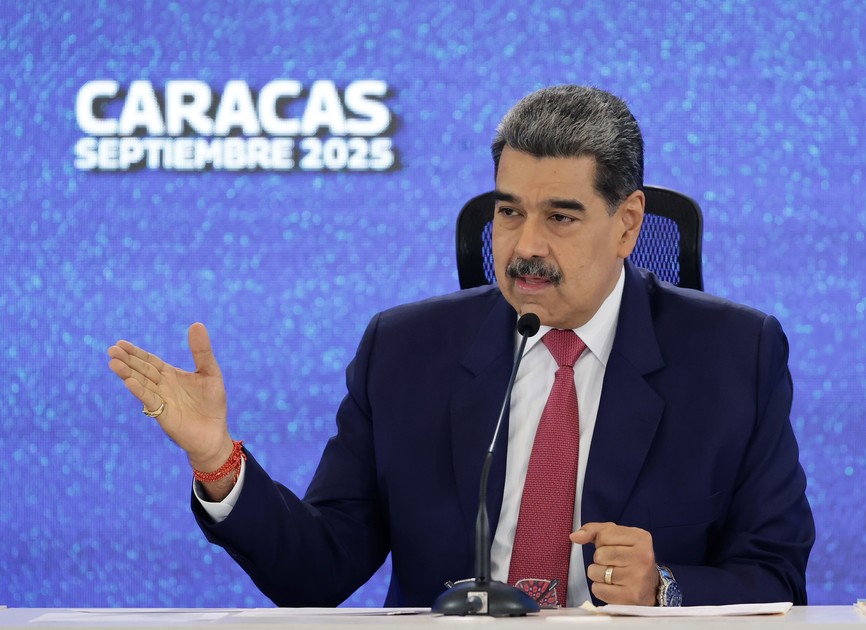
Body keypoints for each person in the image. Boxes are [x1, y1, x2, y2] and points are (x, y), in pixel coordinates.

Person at [107, 85, 815, 608]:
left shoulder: (734, 356)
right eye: (509, 212)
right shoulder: (405, 351)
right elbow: (316, 572)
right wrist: (217, 460)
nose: (525, 245)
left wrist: (663, 588)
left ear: (628, 224)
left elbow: (776, 575)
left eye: (561, 217)